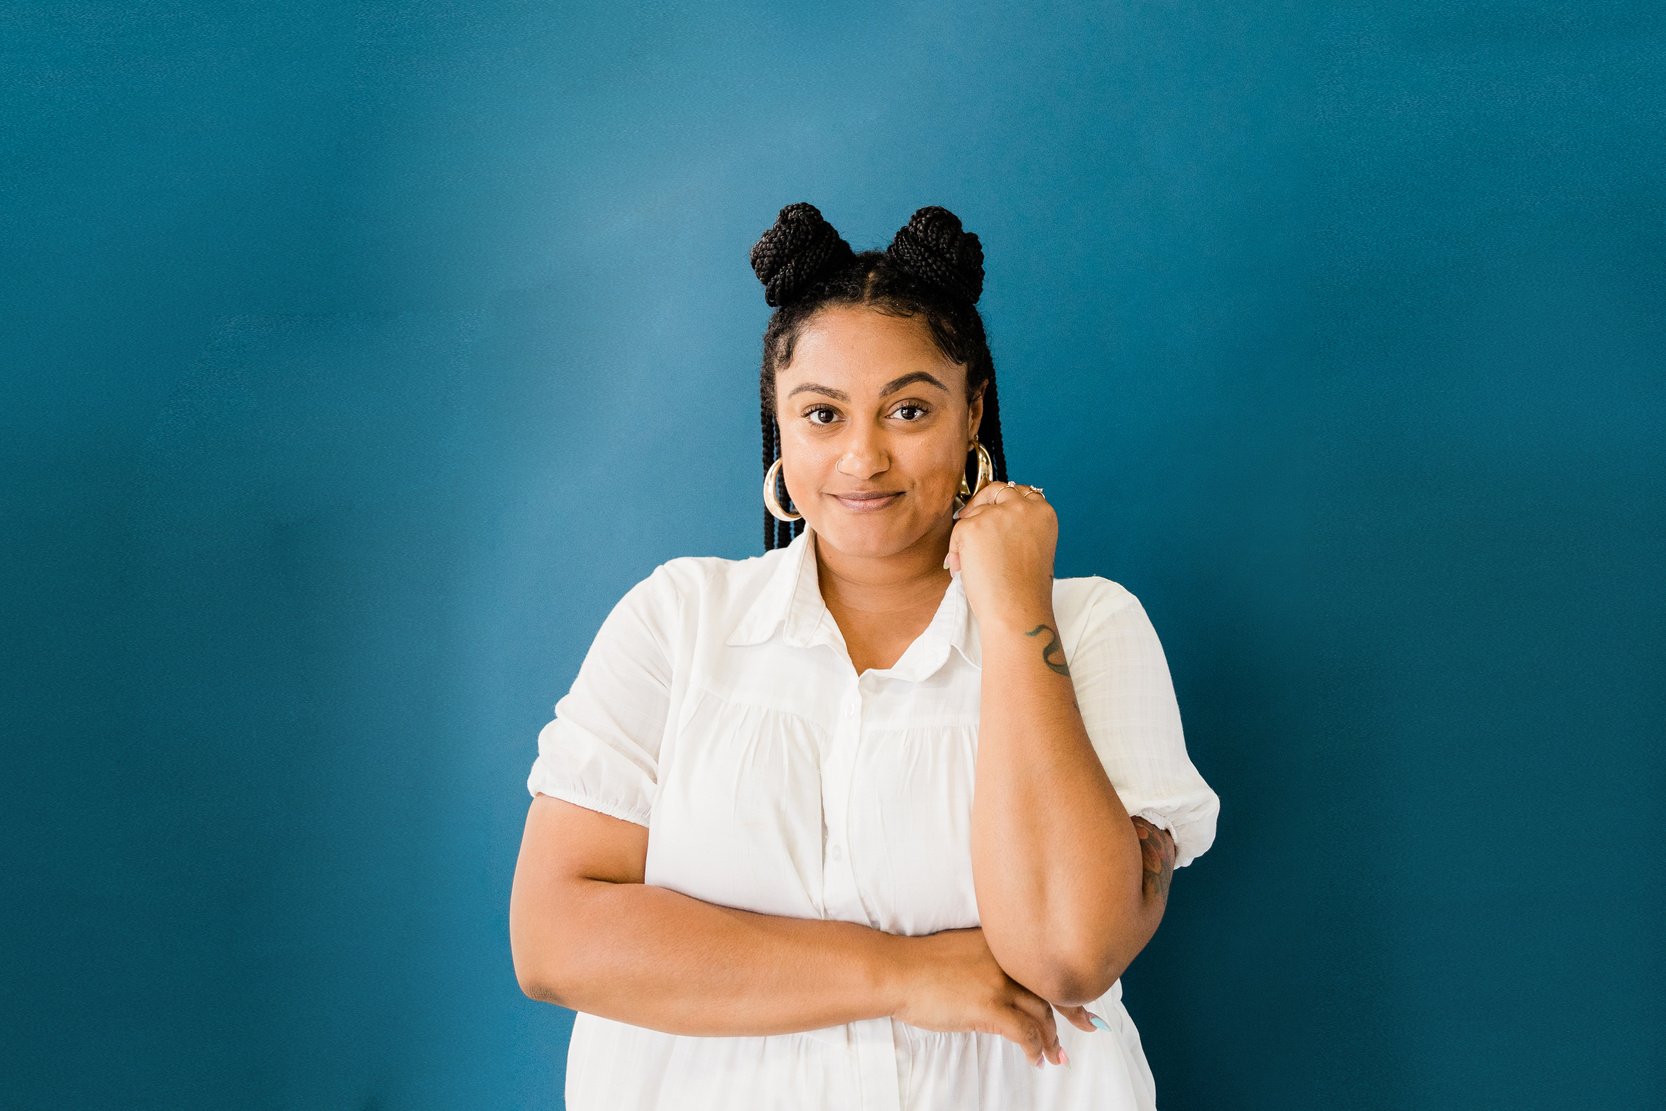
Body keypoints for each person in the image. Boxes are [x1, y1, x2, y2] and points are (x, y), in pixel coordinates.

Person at [510, 202, 1222, 1110]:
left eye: (909, 408)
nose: (862, 456)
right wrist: (908, 973)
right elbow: (555, 938)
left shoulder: (1087, 628)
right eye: (822, 414)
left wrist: (1010, 613)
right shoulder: (678, 621)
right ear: (779, 425)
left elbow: (1069, 952)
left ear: (973, 417)